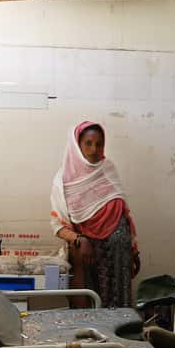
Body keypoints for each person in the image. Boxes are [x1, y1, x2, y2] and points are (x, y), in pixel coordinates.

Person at [50, 121, 140, 308]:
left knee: (120, 311)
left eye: (99, 144)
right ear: (77, 145)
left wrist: (133, 250)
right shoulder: (63, 181)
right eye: (88, 143)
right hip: (88, 259)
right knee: (92, 309)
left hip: (119, 258)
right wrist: (79, 240)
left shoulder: (107, 170)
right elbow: (57, 225)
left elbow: (123, 213)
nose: (94, 150)